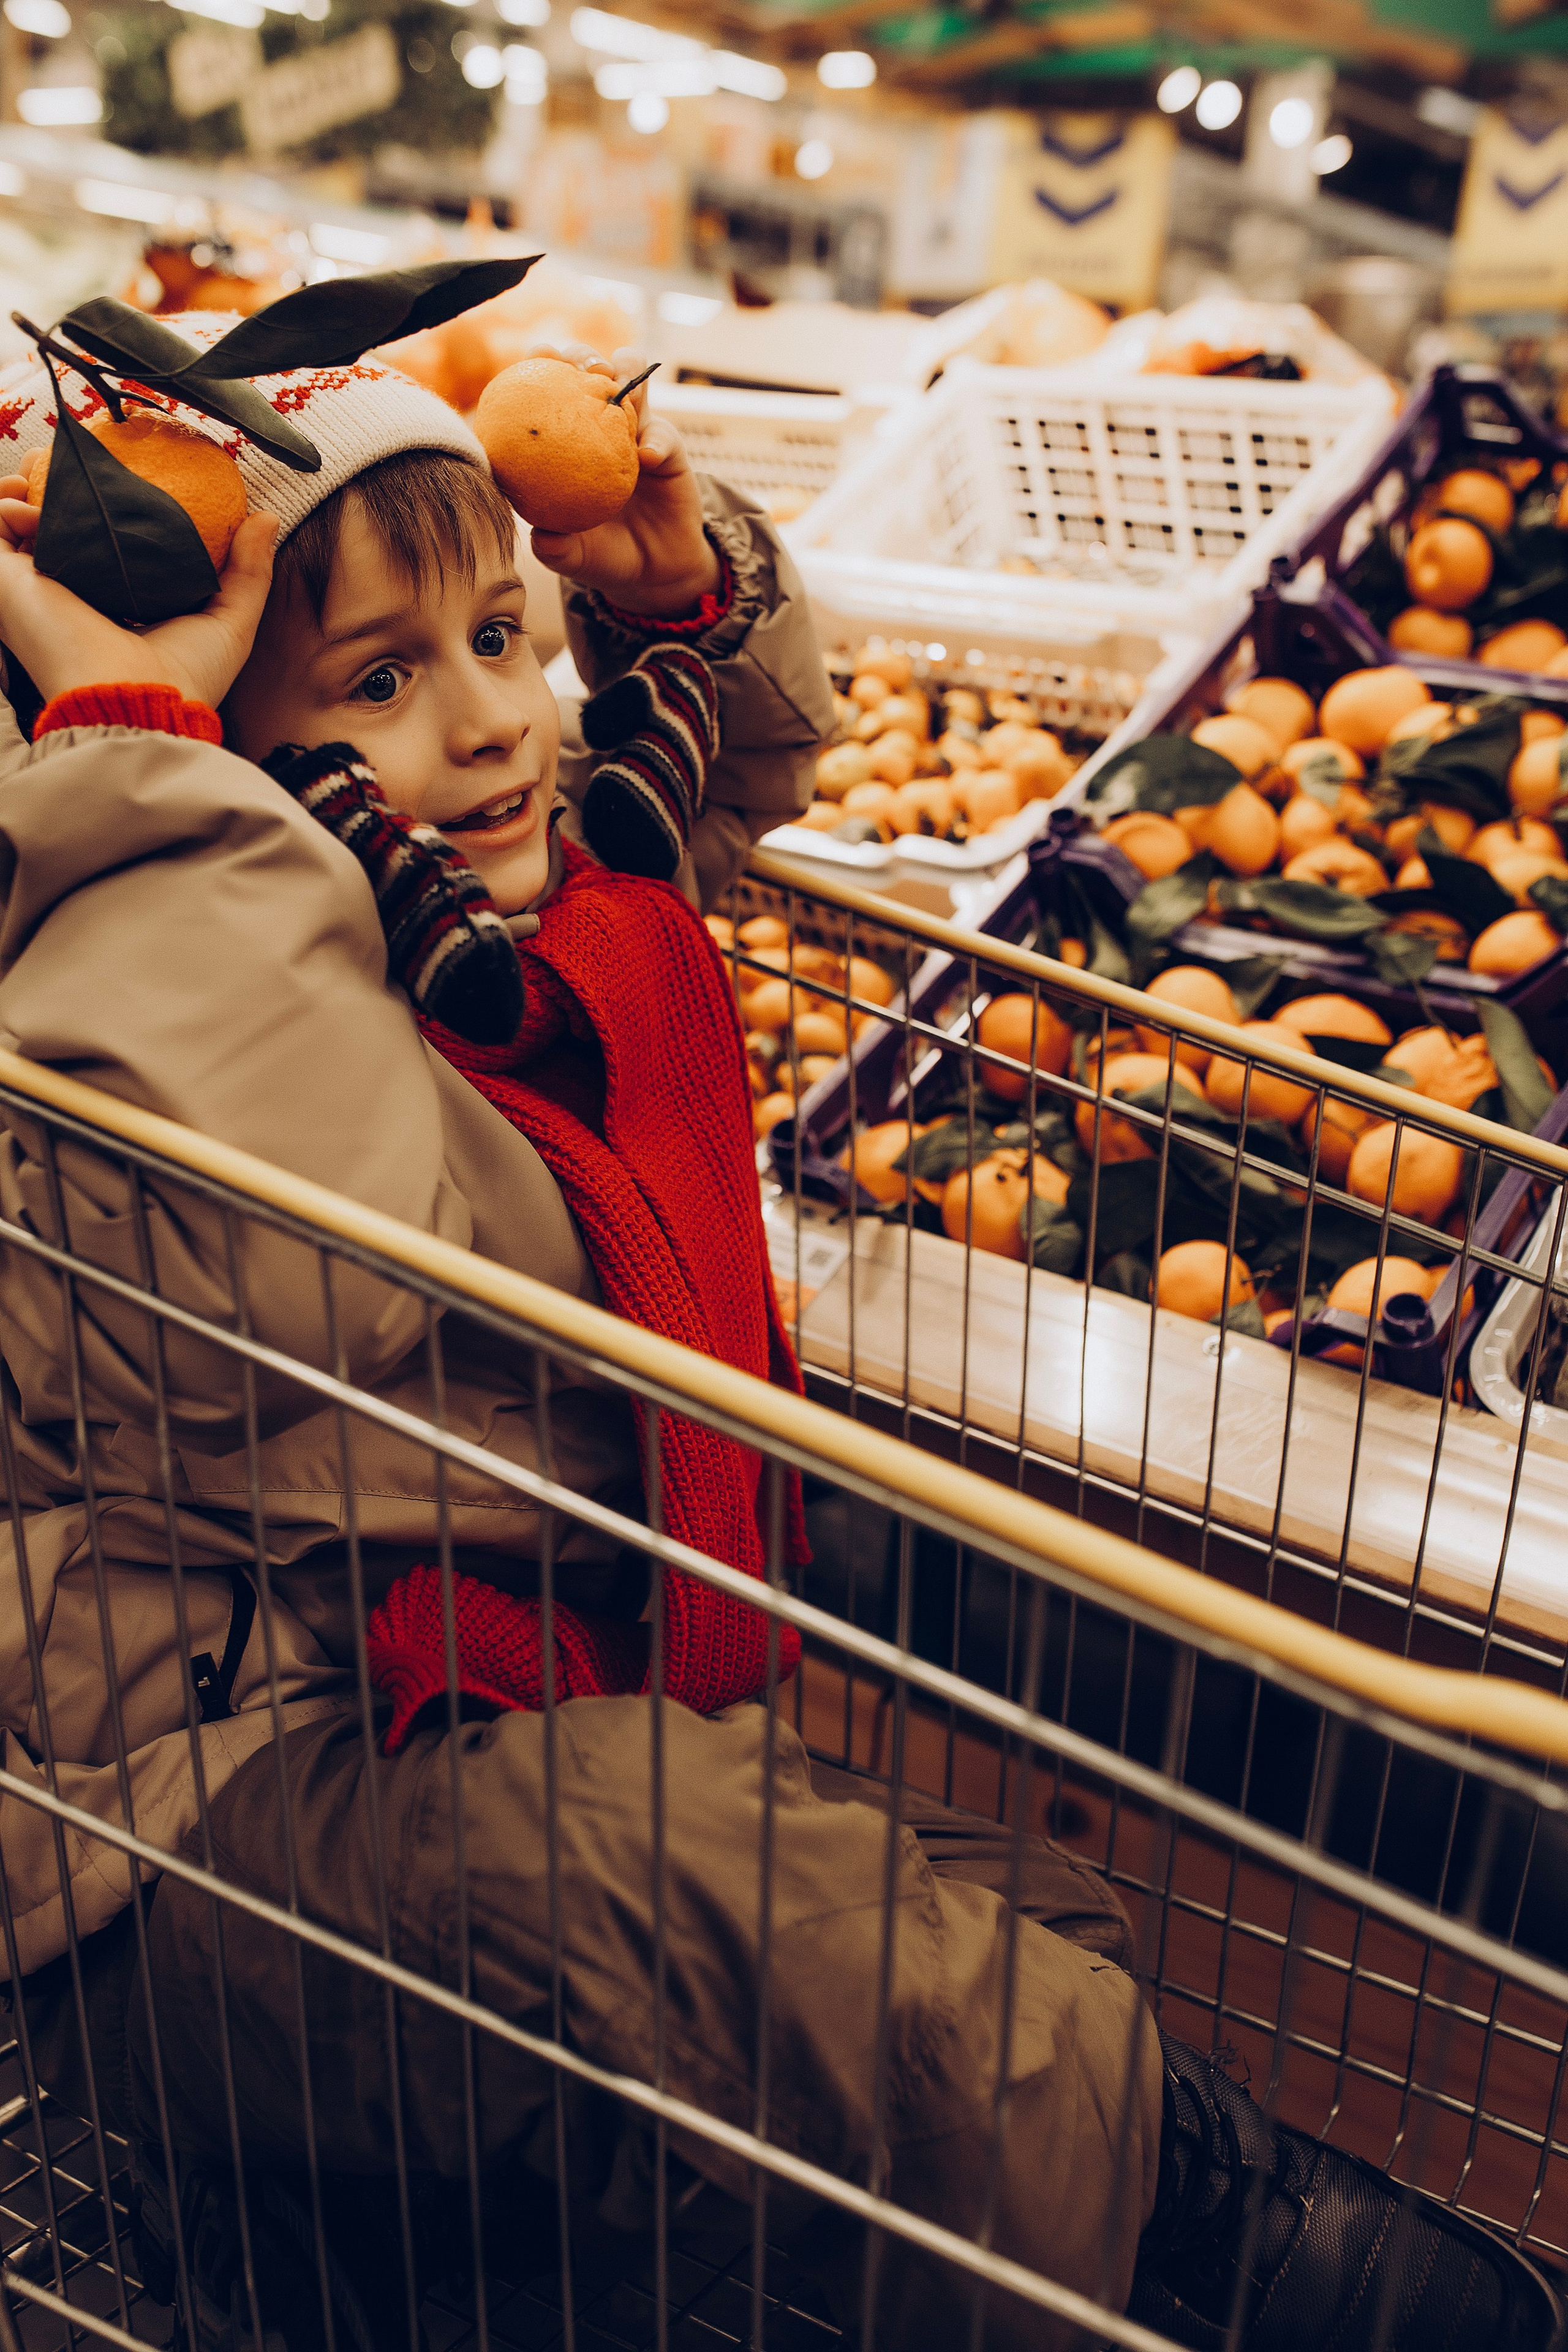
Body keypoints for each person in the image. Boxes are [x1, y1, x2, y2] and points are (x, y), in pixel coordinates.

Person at [0, 323, 1556, 2352]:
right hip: (179, 1841)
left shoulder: (479, 944)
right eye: (382, 680)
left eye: (503, 636)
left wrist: (674, 594)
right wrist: (140, 765)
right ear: (206, 738)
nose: (489, 729)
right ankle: (1289, 2268)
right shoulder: (121, 983)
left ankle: (1163, 2247)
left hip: (464, 1748)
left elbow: (693, 806)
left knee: (1014, 1936)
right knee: (769, 1923)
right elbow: (283, 1262)